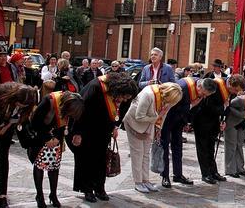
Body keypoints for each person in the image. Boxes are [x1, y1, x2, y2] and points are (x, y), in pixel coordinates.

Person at [68, 72, 137, 202]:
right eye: (123, 97)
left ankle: (99, 187)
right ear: (117, 90)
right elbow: (81, 110)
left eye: (128, 98)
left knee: (101, 159)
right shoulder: (96, 87)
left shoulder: (126, 92)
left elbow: (122, 110)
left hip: (104, 129)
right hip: (86, 128)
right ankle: (87, 189)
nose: (125, 100)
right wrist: (77, 132)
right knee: (87, 159)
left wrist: (115, 126)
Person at [0, 82, 36, 208]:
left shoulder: (28, 99)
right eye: (20, 103)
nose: (21, 106)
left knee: (3, 156)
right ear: (14, 97)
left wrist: (6, 127)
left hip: (7, 125)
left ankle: (3, 194)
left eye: (24, 105)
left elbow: (17, 116)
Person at [123, 82, 182, 193]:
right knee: (138, 153)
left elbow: (164, 114)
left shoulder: (169, 99)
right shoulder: (148, 94)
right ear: (166, 93)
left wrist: (159, 128)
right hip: (134, 123)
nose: (169, 104)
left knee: (146, 154)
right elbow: (139, 116)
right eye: (169, 102)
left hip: (149, 123)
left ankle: (145, 180)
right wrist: (156, 117)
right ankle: (138, 182)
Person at [29, 91, 84, 208]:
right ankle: (39, 195)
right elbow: (34, 122)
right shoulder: (49, 101)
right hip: (42, 138)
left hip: (56, 139)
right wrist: (47, 138)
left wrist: (58, 138)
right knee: (39, 166)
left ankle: (53, 195)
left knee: (54, 167)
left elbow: (66, 124)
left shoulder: (72, 104)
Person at [158, 76, 208, 188]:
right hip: (168, 118)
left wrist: (187, 122)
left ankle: (178, 174)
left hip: (179, 121)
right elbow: (174, 105)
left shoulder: (201, 91)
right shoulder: (183, 86)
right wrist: (191, 105)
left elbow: (195, 109)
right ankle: (165, 176)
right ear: (199, 87)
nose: (203, 97)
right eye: (203, 94)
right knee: (165, 147)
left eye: (205, 95)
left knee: (177, 147)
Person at [190, 78, 225, 184]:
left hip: (213, 124)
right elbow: (203, 107)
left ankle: (213, 172)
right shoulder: (203, 90)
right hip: (201, 124)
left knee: (211, 149)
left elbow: (221, 106)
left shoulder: (217, 89)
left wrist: (222, 116)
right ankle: (205, 174)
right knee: (202, 150)